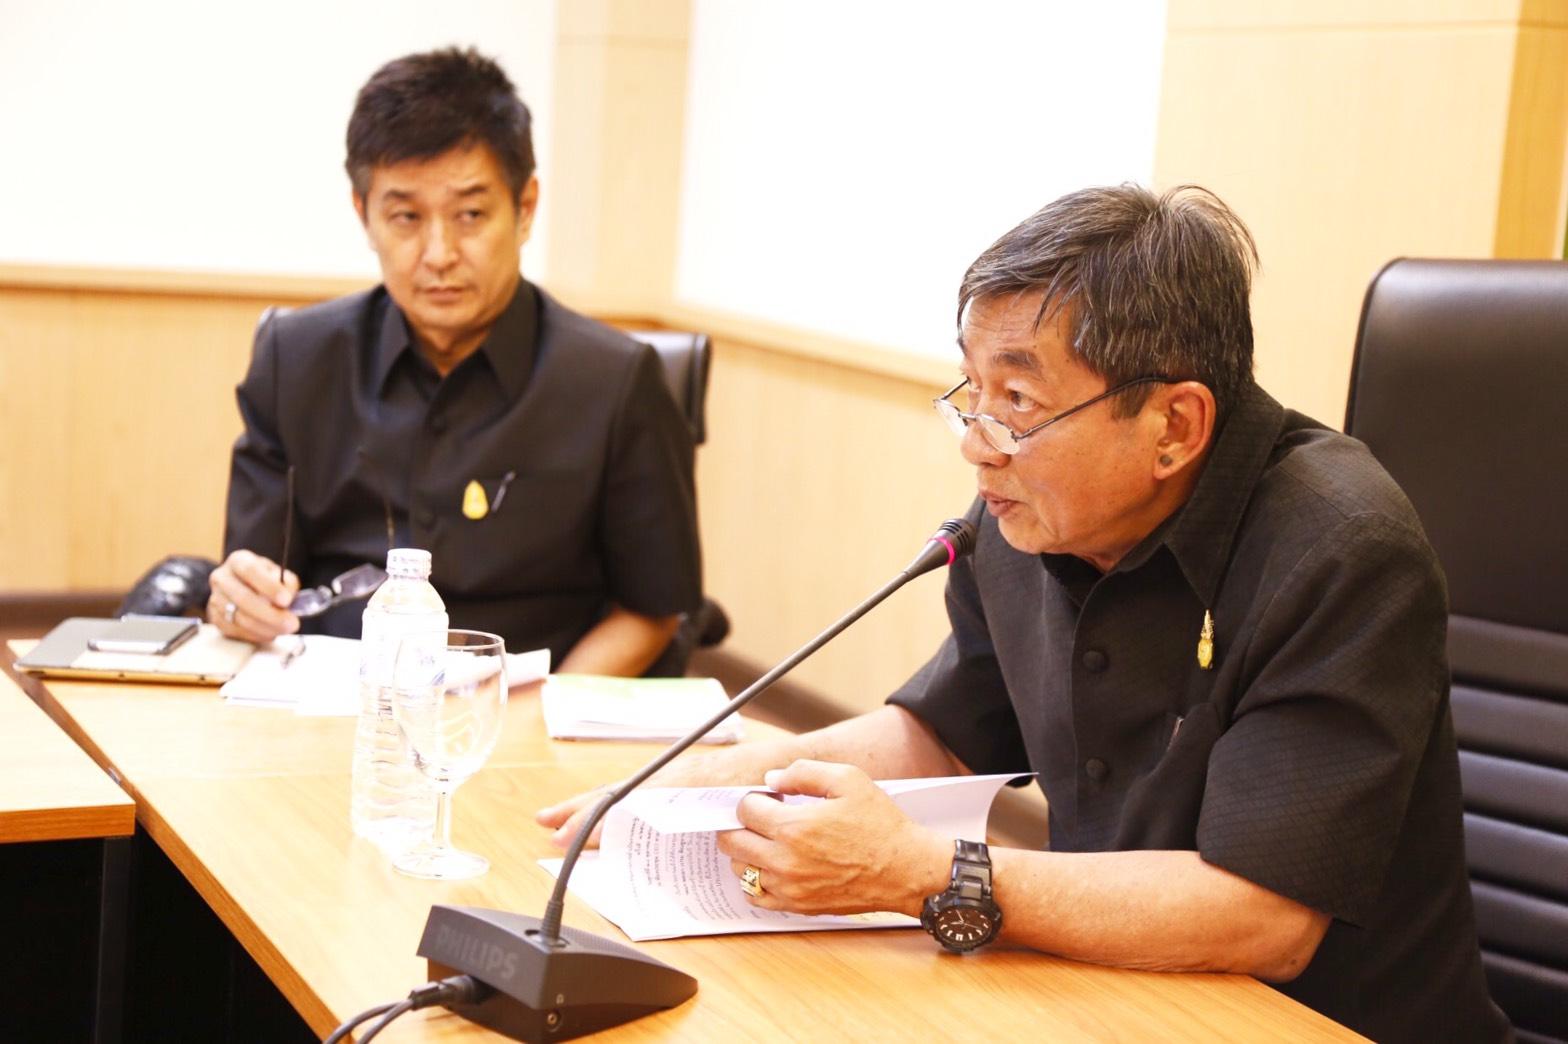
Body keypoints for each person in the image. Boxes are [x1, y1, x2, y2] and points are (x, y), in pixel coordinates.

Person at [537, 185, 1508, 1040]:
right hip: (1109, 994)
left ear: (1173, 427)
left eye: (1017, 400)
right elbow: (941, 733)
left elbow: (1262, 916)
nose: (976, 444)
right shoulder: (1025, 517)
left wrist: (920, 872)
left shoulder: (1340, 549)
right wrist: (693, 785)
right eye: (972, 391)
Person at [206, 48, 701, 676]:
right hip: (331, 699)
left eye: (470, 215)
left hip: (529, 703)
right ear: (364, 215)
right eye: (406, 217)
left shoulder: (614, 382)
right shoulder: (295, 361)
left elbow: (652, 611)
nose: (439, 253)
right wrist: (238, 602)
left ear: (525, 208)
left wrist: (534, 718)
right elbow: (255, 579)